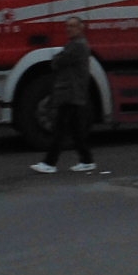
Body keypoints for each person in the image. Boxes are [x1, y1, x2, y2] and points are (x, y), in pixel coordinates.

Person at [33, 16, 97, 174]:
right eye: (67, 26)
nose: (69, 29)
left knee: (60, 129)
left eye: (73, 26)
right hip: (71, 92)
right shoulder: (75, 44)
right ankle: (86, 160)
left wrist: (57, 59)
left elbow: (57, 62)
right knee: (75, 130)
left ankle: (50, 163)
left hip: (70, 92)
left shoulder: (77, 46)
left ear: (81, 28)